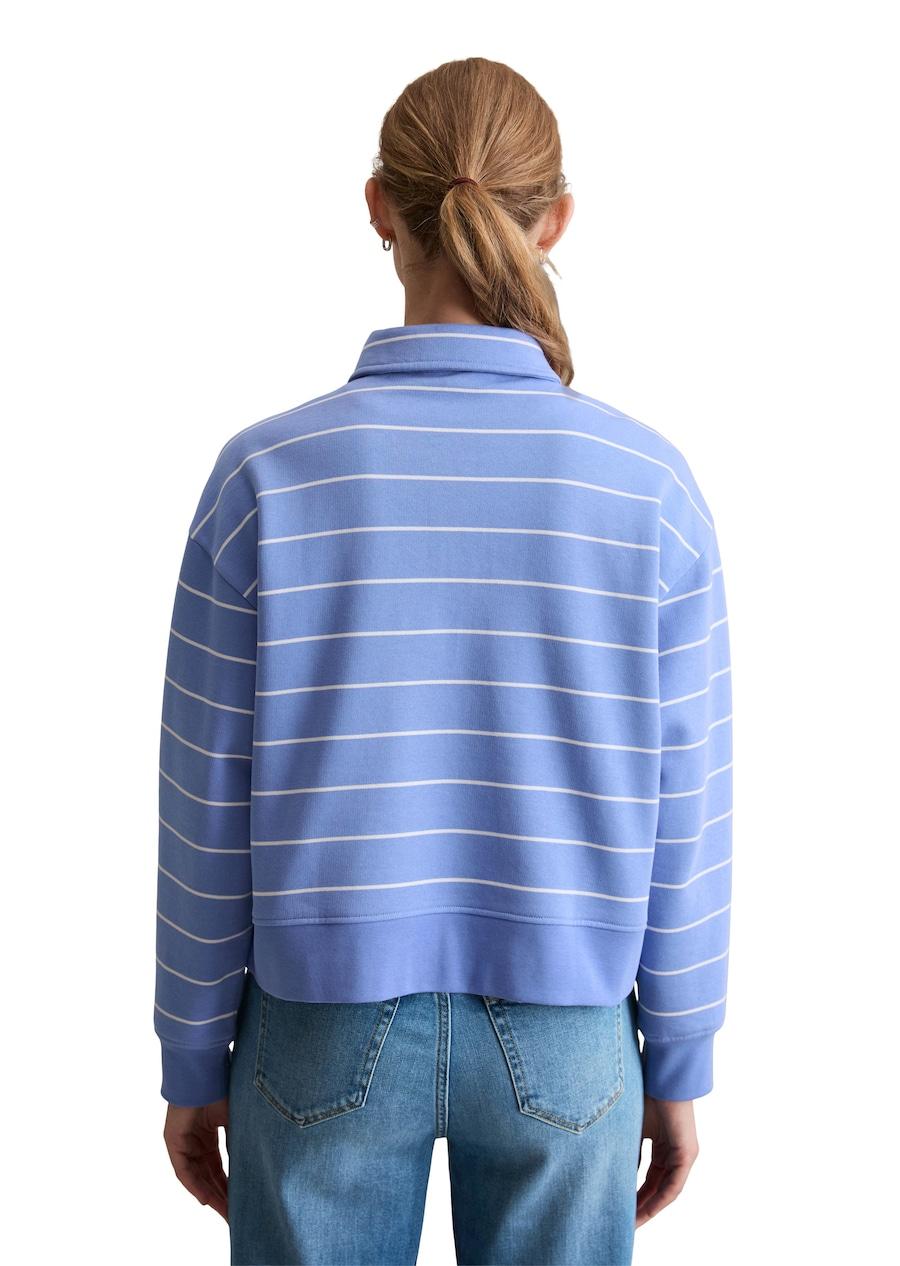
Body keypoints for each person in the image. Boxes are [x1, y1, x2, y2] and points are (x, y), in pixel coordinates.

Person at [155, 56, 733, 1266]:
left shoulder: (265, 479)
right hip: (570, 1036)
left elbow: (204, 804)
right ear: (555, 219)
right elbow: (688, 809)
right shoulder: (648, 491)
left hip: (315, 1027)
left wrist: (193, 1053)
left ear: (379, 207)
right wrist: (679, 1059)